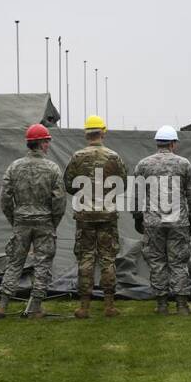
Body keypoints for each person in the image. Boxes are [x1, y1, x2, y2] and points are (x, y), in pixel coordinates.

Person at [0, 123, 65, 320]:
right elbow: (59, 201)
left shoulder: (14, 167)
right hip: (44, 222)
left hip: (21, 221)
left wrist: (14, 219)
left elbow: (5, 198)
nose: (48, 145)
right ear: (42, 143)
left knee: (15, 262)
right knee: (42, 265)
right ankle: (35, 306)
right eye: (47, 141)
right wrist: (53, 223)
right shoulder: (52, 168)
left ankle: (3, 305)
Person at [63, 115, 127, 319]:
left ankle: (84, 307)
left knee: (86, 258)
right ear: (103, 132)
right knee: (108, 258)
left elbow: (68, 183)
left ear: (86, 134)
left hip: (85, 216)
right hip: (107, 216)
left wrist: (84, 196)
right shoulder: (114, 157)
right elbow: (122, 184)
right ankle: (109, 305)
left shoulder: (77, 157)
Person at [133, 125, 191, 315]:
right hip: (178, 220)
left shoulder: (143, 165)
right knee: (178, 262)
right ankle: (181, 304)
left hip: (153, 221)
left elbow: (137, 195)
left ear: (158, 143)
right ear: (173, 143)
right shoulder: (184, 164)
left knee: (156, 261)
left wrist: (138, 218)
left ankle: (162, 304)